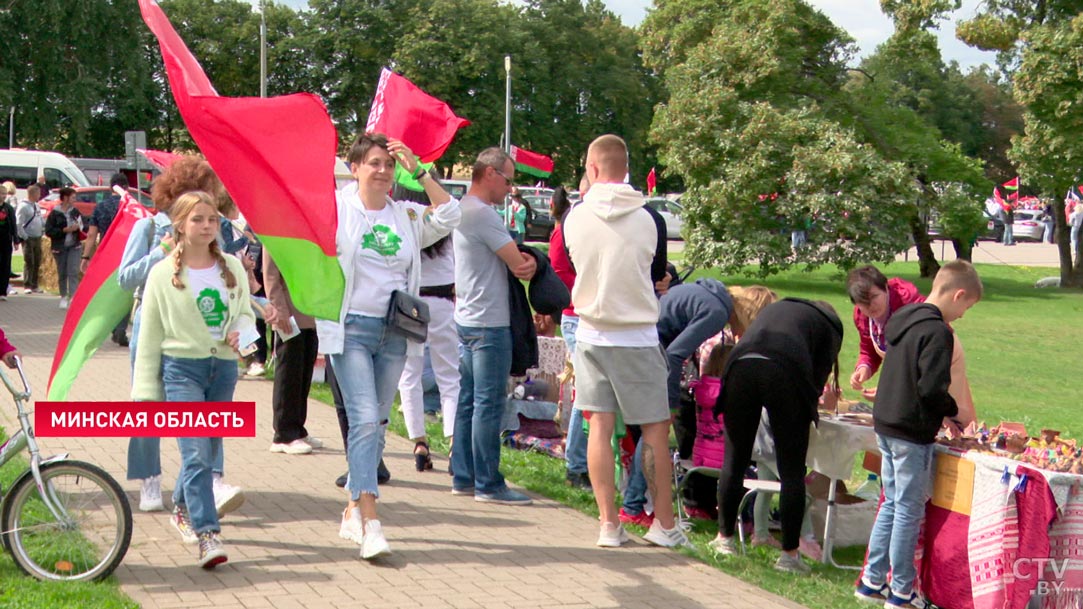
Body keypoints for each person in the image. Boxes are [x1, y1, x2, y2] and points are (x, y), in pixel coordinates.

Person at [315, 133, 460, 560]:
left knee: (375, 423)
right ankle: (372, 522)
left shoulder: (408, 216)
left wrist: (420, 170)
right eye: (374, 163)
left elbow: (450, 214)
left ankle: (351, 510)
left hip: (394, 331)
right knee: (362, 419)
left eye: (388, 165)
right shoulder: (338, 210)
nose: (382, 171)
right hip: (352, 329)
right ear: (355, 167)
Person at [563, 134, 685, 548]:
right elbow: (656, 274)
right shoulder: (650, 217)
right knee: (654, 429)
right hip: (637, 334)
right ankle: (664, 524)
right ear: (626, 167)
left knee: (600, 424)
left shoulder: (574, 218)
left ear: (592, 169)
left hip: (592, 330)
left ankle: (608, 524)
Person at [131, 190, 255, 569]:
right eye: (198, 220)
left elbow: (246, 315)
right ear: (180, 225)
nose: (206, 227)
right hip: (180, 369)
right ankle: (207, 534)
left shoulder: (232, 267)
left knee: (205, 450)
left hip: (223, 372)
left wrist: (242, 333)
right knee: (197, 454)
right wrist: (144, 393)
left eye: (212, 220)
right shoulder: (161, 274)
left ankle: (183, 508)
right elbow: (149, 334)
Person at [118, 156, 243, 515]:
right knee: (148, 402)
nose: (202, 212)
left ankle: (211, 478)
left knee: (206, 406)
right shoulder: (150, 227)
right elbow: (124, 278)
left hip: (202, 327)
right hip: (153, 321)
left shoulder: (213, 229)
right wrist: (161, 251)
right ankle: (149, 477)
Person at [856, 260, 982, 608]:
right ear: (957, 295)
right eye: (965, 307)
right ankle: (901, 589)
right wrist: (953, 412)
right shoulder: (938, 332)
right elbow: (931, 388)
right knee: (908, 509)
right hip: (911, 430)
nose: (962, 316)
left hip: (886, 422)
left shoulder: (901, 320)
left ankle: (872, 579)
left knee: (892, 503)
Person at [710, 298, 843, 575]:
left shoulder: (779, 308)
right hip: (785, 371)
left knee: (734, 460)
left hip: (740, 365)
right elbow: (815, 383)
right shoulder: (830, 326)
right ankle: (789, 555)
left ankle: (725, 539)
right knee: (792, 470)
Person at [450, 147, 536, 505]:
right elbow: (518, 264)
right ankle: (488, 483)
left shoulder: (463, 209)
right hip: (489, 322)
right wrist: (528, 262)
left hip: (467, 318)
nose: (510, 188)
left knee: (468, 401)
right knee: (487, 404)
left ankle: (464, 475)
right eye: (508, 179)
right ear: (489, 174)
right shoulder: (482, 214)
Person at [394, 174, 458, 472]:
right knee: (449, 376)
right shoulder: (441, 224)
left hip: (412, 302)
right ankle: (456, 441)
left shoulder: (403, 221)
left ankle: (419, 442)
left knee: (410, 376)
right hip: (444, 299)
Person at [548, 184, 590, 489]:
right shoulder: (569, 231)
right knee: (585, 392)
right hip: (579, 315)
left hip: (584, 314)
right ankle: (576, 464)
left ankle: (581, 460)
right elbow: (565, 275)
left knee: (589, 393)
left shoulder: (570, 229)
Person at [264, 250, 322, 455]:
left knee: (304, 372)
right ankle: (284, 434)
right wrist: (279, 309)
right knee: (289, 372)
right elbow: (270, 275)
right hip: (288, 314)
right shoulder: (274, 230)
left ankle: (298, 428)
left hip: (309, 312)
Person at [847, 266, 924, 396]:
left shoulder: (911, 305)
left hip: (928, 374)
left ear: (886, 288)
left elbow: (924, 353)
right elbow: (869, 349)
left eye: (874, 297)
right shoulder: (861, 316)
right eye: (862, 302)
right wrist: (864, 368)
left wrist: (892, 390)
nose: (870, 305)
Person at [81, 173, 131, 346]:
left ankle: (108, 325)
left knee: (107, 292)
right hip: (126, 252)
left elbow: (92, 234)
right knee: (125, 292)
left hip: (106, 254)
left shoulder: (100, 207)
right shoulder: (130, 207)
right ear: (127, 187)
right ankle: (121, 328)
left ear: (111, 188)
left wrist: (86, 256)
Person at [44, 187, 83, 309]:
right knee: (62, 272)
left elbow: (83, 226)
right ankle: (63, 296)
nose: (75, 199)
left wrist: (79, 227)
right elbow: (49, 231)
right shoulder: (55, 213)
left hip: (74, 245)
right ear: (65, 198)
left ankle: (74, 297)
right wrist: (64, 230)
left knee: (73, 271)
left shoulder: (75, 212)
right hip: (60, 247)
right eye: (72, 197)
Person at [15, 185, 45, 294]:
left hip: (37, 237)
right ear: (32, 194)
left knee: (37, 261)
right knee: (29, 261)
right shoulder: (23, 207)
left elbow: (40, 219)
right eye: (38, 193)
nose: (40, 195)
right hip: (28, 238)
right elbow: (18, 223)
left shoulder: (36, 206)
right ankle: (27, 284)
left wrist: (43, 228)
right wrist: (25, 236)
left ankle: (34, 284)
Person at [0, 184, 15, 301]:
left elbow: (13, 224)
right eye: (1, 194)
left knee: (5, 265)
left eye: (4, 194)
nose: (3, 196)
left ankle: (3, 291)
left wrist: (16, 239)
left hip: (6, 240)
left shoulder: (8, 208)